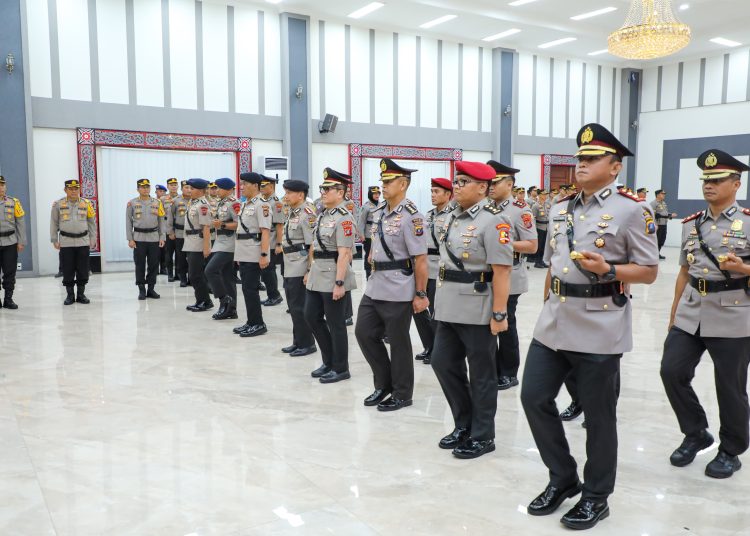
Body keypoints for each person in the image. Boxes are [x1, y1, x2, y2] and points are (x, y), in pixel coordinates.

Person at [520, 123, 658, 530]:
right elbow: (553, 263)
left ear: (614, 167)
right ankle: (563, 479)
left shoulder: (633, 209)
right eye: (580, 158)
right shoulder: (561, 207)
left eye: (592, 159)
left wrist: (611, 268)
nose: (581, 164)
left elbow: (649, 271)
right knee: (533, 398)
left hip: (600, 323)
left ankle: (597, 496)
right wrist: (547, 301)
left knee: (599, 417)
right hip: (555, 320)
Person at [660, 149, 750, 480]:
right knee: (671, 371)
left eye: (717, 180)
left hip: (733, 313)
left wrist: (744, 268)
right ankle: (696, 432)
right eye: (706, 180)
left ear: (736, 184)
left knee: (729, 386)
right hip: (691, 312)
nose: (709, 185)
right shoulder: (691, 224)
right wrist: (673, 314)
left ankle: (731, 449)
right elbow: (684, 272)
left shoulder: (749, 223)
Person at [431, 161, 513, 459]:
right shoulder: (453, 217)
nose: (457, 185)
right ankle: (463, 423)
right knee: (442, 363)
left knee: (481, 374)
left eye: (464, 181)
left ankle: (483, 434)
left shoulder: (495, 222)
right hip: (449, 304)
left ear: (482, 188)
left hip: (478, 306)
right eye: (457, 180)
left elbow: (502, 271)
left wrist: (500, 313)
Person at [356, 159, 428, 411]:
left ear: (403, 184)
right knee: (364, 333)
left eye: (388, 182)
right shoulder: (378, 212)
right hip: (375, 285)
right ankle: (383, 383)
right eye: (382, 182)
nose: (383, 186)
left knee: (398, 342)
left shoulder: (412, 217)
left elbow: (420, 259)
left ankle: (402, 393)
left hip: (399, 287)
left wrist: (420, 293)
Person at [487, 160, 538, 391]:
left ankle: (508, 372)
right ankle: (491, 368)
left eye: (495, 182)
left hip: (511, 275)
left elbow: (532, 245)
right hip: (487, 275)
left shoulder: (520, 210)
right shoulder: (485, 207)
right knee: (486, 324)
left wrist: (503, 244)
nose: (491, 186)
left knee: (506, 324)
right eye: (489, 182)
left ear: (509, 184)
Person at [305, 168, 357, 384]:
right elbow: (314, 246)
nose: (323, 192)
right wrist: (309, 271)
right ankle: (328, 361)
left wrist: (339, 282)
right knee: (311, 316)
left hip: (333, 275)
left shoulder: (345, 218)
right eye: (322, 188)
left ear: (341, 192)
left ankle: (341, 367)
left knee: (336, 324)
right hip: (318, 273)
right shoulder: (323, 214)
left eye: (327, 189)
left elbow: (345, 253)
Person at [413, 177, 453, 365]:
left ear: (447, 194)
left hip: (441, 269)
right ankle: (428, 345)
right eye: (432, 192)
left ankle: (438, 349)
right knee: (418, 308)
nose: (433, 195)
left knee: (437, 311)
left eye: (437, 192)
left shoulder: (454, 215)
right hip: (425, 268)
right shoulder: (428, 216)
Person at [280, 179, 317, 355]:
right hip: (290, 262)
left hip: (300, 264)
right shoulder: (293, 212)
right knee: (293, 306)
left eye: (289, 193)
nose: (285, 196)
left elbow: (312, 245)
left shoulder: (307, 214)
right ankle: (297, 341)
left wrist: (309, 270)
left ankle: (307, 344)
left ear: (300, 195)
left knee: (299, 306)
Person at [233, 172, 272, 337]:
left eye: (245, 184)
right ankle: (251, 321)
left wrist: (264, 254)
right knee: (247, 289)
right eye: (241, 184)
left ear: (255, 186)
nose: (242, 187)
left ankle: (258, 323)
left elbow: (265, 232)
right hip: (244, 251)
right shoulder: (245, 204)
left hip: (254, 252)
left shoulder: (262, 205)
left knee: (251, 289)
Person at [50, 179, 97, 305]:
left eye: (76, 188)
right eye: (70, 189)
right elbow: (54, 223)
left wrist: (93, 239)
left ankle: (81, 294)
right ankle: (70, 295)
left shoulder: (87, 204)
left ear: (79, 190)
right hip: (66, 242)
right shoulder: (58, 205)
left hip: (83, 241)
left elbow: (92, 223)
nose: (73, 191)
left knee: (83, 269)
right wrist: (54, 239)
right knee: (68, 269)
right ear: (65, 190)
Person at [126, 179, 165, 300]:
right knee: (140, 264)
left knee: (154, 264)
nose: (145, 189)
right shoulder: (132, 203)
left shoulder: (157, 203)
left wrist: (162, 236)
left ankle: (151, 289)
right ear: (138, 189)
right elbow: (128, 221)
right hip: (138, 238)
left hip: (154, 238)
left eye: (147, 187)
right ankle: (141, 289)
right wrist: (130, 239)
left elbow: (161, 220)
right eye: (142, 187)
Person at [205, 177, 239, 320]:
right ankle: (230, 310)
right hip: (220, 241)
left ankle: (224, 299)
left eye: (219, 188)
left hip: (230, 244)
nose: (216, 190)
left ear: (229, 189)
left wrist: (222, 225)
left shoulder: (234, 203)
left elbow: (239, 224)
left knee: (210, 270)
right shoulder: (221, 203)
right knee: (227, 278)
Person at [183, 179, 213, 311]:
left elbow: (206, 227)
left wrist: (206, 247)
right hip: (190, 242)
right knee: (194, 274)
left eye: (192, 189)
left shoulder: (203, 205)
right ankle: (201, 300)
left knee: (196, 274)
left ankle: (205, 301)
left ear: (200, 191)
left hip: (198, 243)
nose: (190, 191)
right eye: (189, 188)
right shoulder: (193, 203)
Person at [0, 175, 26, 309]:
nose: (1, 187)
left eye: (2, 185)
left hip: (10, 241)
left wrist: (21, 241)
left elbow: (20, 222)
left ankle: (8, 299)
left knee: (10, 272)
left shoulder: (14, 202)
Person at [258, 177, 284, 306]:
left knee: (269, 269)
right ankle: (271, 294)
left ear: (272, 187)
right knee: (266, 271)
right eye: (260, 186)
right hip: (266, 240)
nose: (261, 188)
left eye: (264, 186)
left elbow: (279, 225)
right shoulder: (264, 201)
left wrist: (279, 244)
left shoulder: (276, 203)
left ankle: (275, 295)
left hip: (273, 240)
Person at [167, 180, 191, 287]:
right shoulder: (175, 201)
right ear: (181, 189)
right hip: (180, 233)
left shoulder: (196, 201)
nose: (189, 190)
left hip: (193, 234)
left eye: (190, 188)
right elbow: (170, 217)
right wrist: (171, 232)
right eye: (186, 187)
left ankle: (191, 277)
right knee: (181, 257)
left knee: (192, 257)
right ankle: (183, 278)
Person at [358, 185, 381, 279]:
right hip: (368, 235)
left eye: (378, 193)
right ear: (370, 194)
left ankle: (377, 273)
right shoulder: (366, 207)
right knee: (368, 255)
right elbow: (361, 222)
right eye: (374, 193)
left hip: (378, 235)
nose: (377, 195)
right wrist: (361, 235)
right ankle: (368, 274)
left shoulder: (381, 205)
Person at [651, 189, 678, 260]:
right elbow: (654, 215)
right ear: (658, 195)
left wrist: (670, 215)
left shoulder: (663, 203)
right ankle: (653, 255)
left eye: (664, 194)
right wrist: (655, 224)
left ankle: (657, 253)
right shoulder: (653, 203)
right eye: (662, 194)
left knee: (662, 240)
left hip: (664, 224)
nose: (664, 195)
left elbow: (665, 213)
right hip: (658, 225)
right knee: (656, 240)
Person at [162, 177, 180, 281]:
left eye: (175, 185)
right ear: (168, 186)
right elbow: (160, 214)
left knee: (179, 253)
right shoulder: (163, 199)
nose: (173, 186)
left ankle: (178, 273)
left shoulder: (181, 198)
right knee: (169, 252)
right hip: (168, 227)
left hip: (179, 227)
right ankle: (170, 273)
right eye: (171, 185)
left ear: (177, 186)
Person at [532, 189, 551, 268]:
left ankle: (542, 261)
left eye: (546, 194)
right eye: (543, 194)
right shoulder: (535, 205)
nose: (545, 196)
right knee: (539, 246)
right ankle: (537, 262)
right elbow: (533, 218)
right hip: (539, 227)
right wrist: (534, 230)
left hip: (547, 227)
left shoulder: (548, 204)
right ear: (539, 195)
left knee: (544, 245)